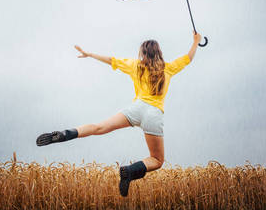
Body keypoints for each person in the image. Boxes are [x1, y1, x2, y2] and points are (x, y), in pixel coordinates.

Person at [36, 31, 202, 196]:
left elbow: (110, 60)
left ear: (142, 53)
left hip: (136, 109)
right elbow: (188, 58)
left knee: (98, 127)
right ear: (159, 52)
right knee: (157, 160)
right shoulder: (169, 68)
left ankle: (66, 134)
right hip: (154, 114)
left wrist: (90, 54)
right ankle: (129, 171)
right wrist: (196, 41)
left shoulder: (136, 66)